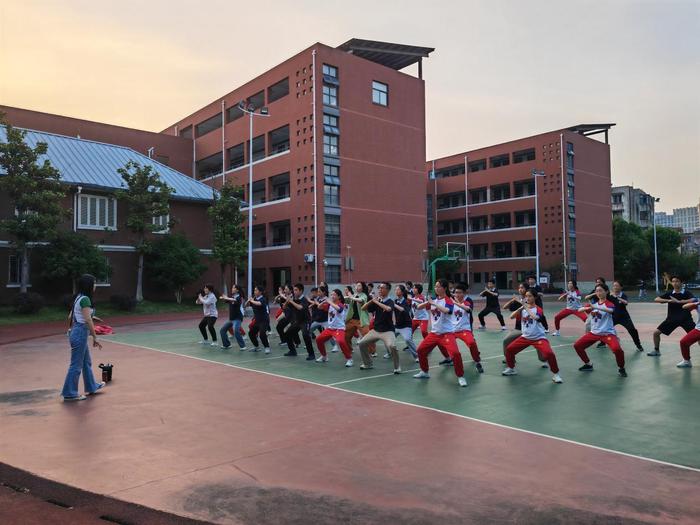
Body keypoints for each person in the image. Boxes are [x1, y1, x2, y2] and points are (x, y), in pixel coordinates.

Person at [413, 278, 468, 387]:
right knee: (420, 351)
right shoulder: (434, 299)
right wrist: (426, 302)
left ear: (444, 288)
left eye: (438, 286)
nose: (436, 288)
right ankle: (424, 372)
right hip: (434, 334)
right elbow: (419, 307)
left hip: (447, 334)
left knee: (456, 354)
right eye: (435, 286)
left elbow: (447, 311)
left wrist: (434, 303)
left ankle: (461, 376)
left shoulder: (448, 300)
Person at [61, 274, 106, 401]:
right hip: (80, 333)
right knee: (76, 365)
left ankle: (91, 386)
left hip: (77, 332)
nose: (96, 285)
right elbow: (87, 320)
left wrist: (71, 329)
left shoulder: (78, 297)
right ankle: (69, 393)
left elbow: (72, 316)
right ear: (89, 285)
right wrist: (95, 337)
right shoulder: (85, 299)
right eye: (94, 283)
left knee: (86, 362)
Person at [502, 289, 562, 383]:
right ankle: (511, 368)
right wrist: (521, 308)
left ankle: (556, 374)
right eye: (526, 296)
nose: (528, 298)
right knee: (509, 349)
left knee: (549, 354)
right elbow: (511, 317)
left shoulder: (538, 309)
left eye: (530, 296)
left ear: (535, 297)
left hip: (538, 337)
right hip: (525, 337)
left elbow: (536, 317)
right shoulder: (523, 309)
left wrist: (525, 307)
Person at [573, 283, 627, 377]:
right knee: (577, 345)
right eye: (597, 291)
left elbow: (610, 311)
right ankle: (588, 364)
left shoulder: (609, 304)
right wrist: (588, 307)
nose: (598, 293)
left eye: (601, 290)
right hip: (594, 333)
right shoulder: (593, 304)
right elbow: (579, 310)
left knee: (617, 349)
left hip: (607, 334)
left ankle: (621, 368)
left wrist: (595, 307)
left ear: (606, 292)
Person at [647, 276, 696, 357]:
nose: (675, 283)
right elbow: (656, 299)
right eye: (673, 281)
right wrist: (668, 300)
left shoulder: (686, 293)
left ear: (681, 283)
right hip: (671, 319)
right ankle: (656, 350)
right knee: (656, 333)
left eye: (677, 281)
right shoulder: (670, 294)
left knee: (698, 336)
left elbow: (694, 299)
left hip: (686, 319)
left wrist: (681, 301)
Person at [358, 282, 400, 373]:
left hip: (388, 331)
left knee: (392, 346)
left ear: (388, 290)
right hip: (376, 330)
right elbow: (363, 308)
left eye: (382, 288)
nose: (380, 290)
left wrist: (377, 302)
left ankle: (397, 367)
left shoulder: (390, 301)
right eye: (379, 288)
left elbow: (388, 309)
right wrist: (372, 301)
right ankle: (368, 364)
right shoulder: (377, 300)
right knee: (361, 343)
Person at [315, 289, 354, 366]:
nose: (332, 296)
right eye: (331, 294)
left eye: (334, 295)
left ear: (339, 296)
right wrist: (323, 302)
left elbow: (339, 309)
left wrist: (329, 302)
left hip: (339, 328)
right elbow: (319, 307)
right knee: (318, 339)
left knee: (341, 341)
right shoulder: (329, 305)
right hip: (330, 328)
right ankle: (324, 356)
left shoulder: (341, 304)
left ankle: (349, 359)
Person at [453, 283, 483, 373]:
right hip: (452, 330)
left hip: (464, 330)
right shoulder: (450, 302)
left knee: (471, 343)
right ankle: (448, 357)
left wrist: (456, 303)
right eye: (456, 293)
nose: (457, 294)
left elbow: (468, 309)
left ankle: (477, 361)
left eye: (460, 293)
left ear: (464, 293)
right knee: (440, 341)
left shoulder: (467, 302)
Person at [283, 283, 316, 360]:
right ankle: (292, 351)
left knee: (305, 335)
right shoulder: (293, 299)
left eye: (296, 290)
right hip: (297, 321)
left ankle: (311, 354)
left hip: (306, 321)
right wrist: (287, 302)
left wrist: (291, 301)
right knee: (287, 333)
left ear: (301, 291)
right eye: (294, 290)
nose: (294, 291)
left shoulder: (304, 299)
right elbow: (284, 307)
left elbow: (300, 307)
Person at [610, 281, 644, 351]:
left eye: (617, 286)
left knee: (632, 330)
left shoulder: (623, 295)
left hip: (624, 317)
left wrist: (617, 297)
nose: (615, 287)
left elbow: (626, 302)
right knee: (604, 329)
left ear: (621, 287)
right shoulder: (610, 296)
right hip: (613, 317)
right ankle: (603, 343)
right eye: (614, 286)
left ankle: (638, 345)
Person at [393, 284, 418, 361]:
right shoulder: (395, 300)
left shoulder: (407, 301)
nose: (396, 291)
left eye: (398, 290)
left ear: (402, 292)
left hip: (406, 326)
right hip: (397, 326)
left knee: (407, 339)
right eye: (395, 290)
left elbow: (404, 310)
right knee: (388, 338)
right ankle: (390, 353)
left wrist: (394, 305)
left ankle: (417, 356)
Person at [344, 282, 371, 350]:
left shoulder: (364, 295)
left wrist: (351, 297)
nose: (357, 286)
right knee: (346, 336)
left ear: (362, 287)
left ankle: (372, 351)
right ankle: (349, 349)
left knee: (367, 336)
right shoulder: (354, 295)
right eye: (356, 285)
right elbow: (345, 300)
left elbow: (360, 300)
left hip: (361, 320)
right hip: (352, 319)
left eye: (359, 285)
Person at [219, 284, 247, 350]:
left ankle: (243, 346)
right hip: (231, 319)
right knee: (222, 330)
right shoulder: (232, 296)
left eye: (233, 288)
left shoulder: (239, 297)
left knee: (236, 331)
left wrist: (226, 298)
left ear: (237, 290)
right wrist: (224, 297)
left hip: (237, 318)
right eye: (232, 288)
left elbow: (234, 300)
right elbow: (227, 300)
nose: (232, 289)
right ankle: (227, 345)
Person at [246, 286, 271, 353]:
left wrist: (252, 301)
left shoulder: (263, 299)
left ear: (260, 292)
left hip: (264, 320)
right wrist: (248, 300)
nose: (254, 292)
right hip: (257, 321)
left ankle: (267, 347)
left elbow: (259, 304)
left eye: (256, 290)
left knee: (262, 334)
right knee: (251, 333)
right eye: (254, 290)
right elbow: (247, 305)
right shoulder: (254, 299)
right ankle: (256, 347)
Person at [677, 299, 700, 368]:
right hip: (699, 329)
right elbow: (684, 307)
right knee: (683, 342)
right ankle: (686, 361)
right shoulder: (698, 304)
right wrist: (696, 303)